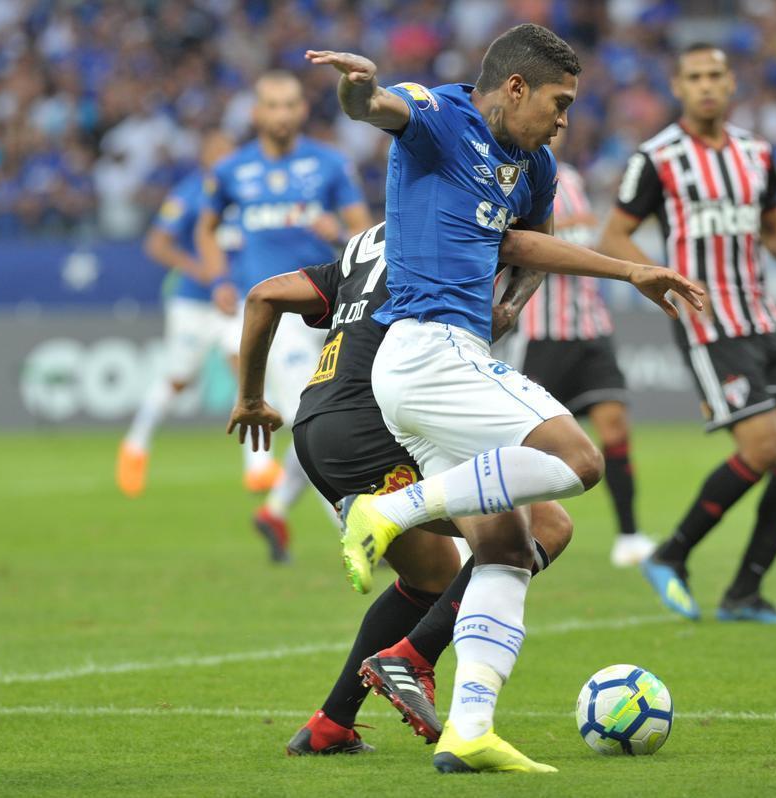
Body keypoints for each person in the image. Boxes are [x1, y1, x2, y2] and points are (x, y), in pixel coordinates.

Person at [307, 24, 703, 773]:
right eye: (557, 103)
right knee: (577, 460)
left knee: (511, 546)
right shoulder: (443, 119)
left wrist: (517, 299)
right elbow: (377, 107)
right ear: (514, 87)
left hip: (448, 359)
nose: (563, 119)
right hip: (426, 350)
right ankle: (386, 511)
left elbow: (527, 242)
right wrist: (357, 87)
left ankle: (469, 729)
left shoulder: (535, 165)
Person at [228, 222, 588, 755]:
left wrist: (251, 399)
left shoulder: (369, 244)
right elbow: (526, 247)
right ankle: (409, 658)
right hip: (377, 426)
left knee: (431, 578)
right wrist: (510, 306)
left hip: (315, 429)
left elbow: (264, 294)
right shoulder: (454, 224)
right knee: (548, 525)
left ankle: (330, 727)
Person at [598, 43, 776, 625]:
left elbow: (772, 230)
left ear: (731, 85)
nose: (707, 85)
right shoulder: (656, 157)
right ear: (678, 87)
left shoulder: (757, 153)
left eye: (716, 75)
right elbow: (614, 236)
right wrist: (651, 276)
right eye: (695, 76)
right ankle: (671, 554)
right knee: (763, 446)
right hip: (710, 323)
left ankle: (745, 592)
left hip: (763, 315)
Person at [196, 70, 372, 561]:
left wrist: (336, 228)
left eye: (290, 104)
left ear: (302, 110)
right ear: (256, 113)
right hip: (273, 314)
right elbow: (205, 230)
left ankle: (274, 510)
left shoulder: (330, 164)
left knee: (316, 417)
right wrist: (218, 280)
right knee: (309, 417)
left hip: (328, 307)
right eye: (272, 105)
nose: (282, 113)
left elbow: (363, 232)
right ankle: (353, 528)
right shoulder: (232, 170)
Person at [515, 127, 655, 568]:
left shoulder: (572, 178)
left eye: (564, 119)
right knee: (526, 446)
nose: (559, 127)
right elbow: (522, 247)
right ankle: (508, 529)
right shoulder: (513, 180)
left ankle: (630, 536)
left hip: (591, 329)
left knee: (615, 427)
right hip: (542, 335)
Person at [116, 131, 236, 500]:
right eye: (219, 153)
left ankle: (258, 465)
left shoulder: (246, 190)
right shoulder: (189, 192)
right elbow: (156, 242)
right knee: (179, 378)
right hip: (193, 302)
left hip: (233, 300)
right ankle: (135, 445)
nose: (226, 160)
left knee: (245, 367)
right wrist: (197, 269)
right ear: (206, 158)